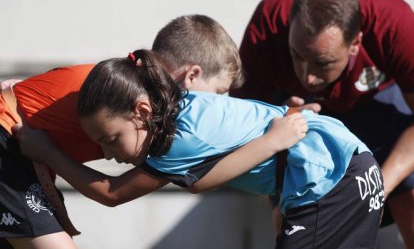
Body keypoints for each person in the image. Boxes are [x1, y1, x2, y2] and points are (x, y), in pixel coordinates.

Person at [17, 49, 384, 248]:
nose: (109, 153)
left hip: (331, 182)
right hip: (349, 167)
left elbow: (113, 192)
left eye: (111, 139)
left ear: (142, 111)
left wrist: (47, 152)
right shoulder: (182, 106)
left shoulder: (174, 139)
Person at [233, 0, 414, 246]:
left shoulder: (396, 25)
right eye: (296, 56)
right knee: (290, 216)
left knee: (410, 198)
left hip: (375, 103)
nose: (308, 77)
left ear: (356, 43)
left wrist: (378, 188)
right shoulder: (268, 26)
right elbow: (242, 123)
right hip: (297, 112)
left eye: (322, 62)